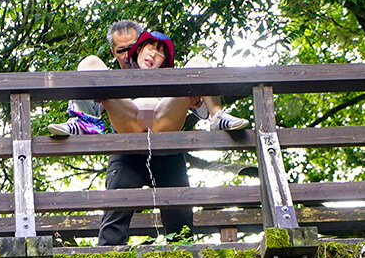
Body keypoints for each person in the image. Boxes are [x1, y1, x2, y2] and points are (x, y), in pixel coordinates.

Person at [47, 20, 248, 135]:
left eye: (157, 52)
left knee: (197, 63)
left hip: (162, 122)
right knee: (90, 62)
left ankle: (218, 116)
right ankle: (83, 123)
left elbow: (198, 107)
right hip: (131, 124)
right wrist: (99, 96)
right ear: (114, 52)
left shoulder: (170, 76)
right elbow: (97, 103)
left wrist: (194, 96)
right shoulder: (110, 77)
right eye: (122, 50)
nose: (128, 54)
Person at [96, 31, 195, 245]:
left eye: (159, 53)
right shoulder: (118, 78)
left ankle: (184, 256)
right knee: (116, 213)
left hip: (166, 148)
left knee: (180, 217)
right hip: (129, 149)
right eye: (149, 48)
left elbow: (192, 104)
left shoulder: (170, 81)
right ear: (139, 50)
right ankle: (108, 254)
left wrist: (194, 99)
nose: (152, 55)